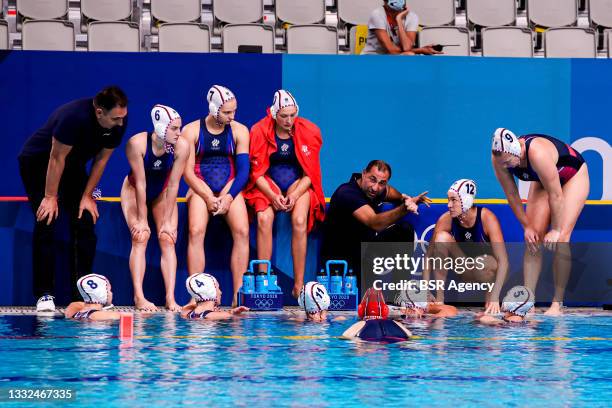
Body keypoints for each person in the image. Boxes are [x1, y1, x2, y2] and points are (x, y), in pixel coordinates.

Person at [18, 86, 128, 313]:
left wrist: (87, 196)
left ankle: (83, 293)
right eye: (116, 118)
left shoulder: (118, 121)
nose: (121, 123)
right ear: (99, 113)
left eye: (123, 117)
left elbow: (101, 161)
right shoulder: (73, 117)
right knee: (47, 218)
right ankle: (44, 294)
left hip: (73, 166)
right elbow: (56, 158)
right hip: (39, 163)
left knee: (85, 219)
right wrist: (50, 196)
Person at [491, 128, 589, 316]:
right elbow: (512, 195)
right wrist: (526, 226)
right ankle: (528, 301)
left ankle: (557, 304)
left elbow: (556, 195)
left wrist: (556, 229)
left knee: (561, 239)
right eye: (501, 163)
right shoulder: (498, 159)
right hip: (544, 179)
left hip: (572, 175)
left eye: (508, 162)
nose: (505, 167)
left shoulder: (538, 153)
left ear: (515, 150)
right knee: (533, 239)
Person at [244, 90, 325, 298]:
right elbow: (256, 172)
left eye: (292, 115)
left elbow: (311, 173)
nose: (289, 120)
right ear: (273, 114)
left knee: (299, 220)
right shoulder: (259, 130)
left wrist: (296, 194)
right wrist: (272, 196)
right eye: (284, 116)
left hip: (298, 183)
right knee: (264, 218)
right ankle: (264, 280)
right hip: (267, 183)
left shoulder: (310, 130)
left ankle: (299, 284)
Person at [182, 85, 250, 306]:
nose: (232, 116)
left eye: (234, 111)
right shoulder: (191, 131)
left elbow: (243, 171)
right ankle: (196, 295)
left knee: (242, 230)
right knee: (195, 231)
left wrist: (228, 196)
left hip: (229, 187)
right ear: (213, 109)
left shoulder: (240, 131)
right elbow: (187, 171)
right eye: (227, 112)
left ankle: (237, 294)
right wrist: (208, 196)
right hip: (199, 188)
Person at [121, 105, 189, 312]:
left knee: (168, 237)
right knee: (140, 236)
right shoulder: (137, 143)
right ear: (161, 128)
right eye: (175, 129)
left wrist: (168, 221)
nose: (179, 133)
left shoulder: (182, 146)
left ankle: (170, 298)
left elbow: (175, 184)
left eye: (180, 128)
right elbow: (141, 184)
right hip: (133, 189)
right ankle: (139, 297)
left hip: (163, 192)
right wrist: (142, 219)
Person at [321, 160, 430, 280]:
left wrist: (405, 198)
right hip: (342, 261)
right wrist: (404, 208)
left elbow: (389, 191)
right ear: (363, 174)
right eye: (372, 179)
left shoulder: (374, 190)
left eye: (382, 183)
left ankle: (399, 295)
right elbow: (374, 222)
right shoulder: (347, 193)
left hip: (365, 252)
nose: (375, 187)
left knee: (404, 230)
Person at [423, 179, 509, 314]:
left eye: (453, 200)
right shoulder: (446, 219)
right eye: (448, 200)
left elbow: (503, 261)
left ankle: (489, 297)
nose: (449, 205)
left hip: (485, 272)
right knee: (442, 238)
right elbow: (428, 257)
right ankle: (440, 299)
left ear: (466, 200)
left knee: (489, 261)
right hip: (463, 269)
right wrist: (425, 291)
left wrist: (494, 295)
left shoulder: (487, 218)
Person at [361, 0, 441, 55]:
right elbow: (391, 50)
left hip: (394, 57)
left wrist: (399, 20)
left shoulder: (412, 17)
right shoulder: (377, 14)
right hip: (373, 57)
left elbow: (407, 47)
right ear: (385, 1)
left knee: (409, 54)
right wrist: (421, 50)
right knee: (409, 54)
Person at [341, 288, 412, 342]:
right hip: (396, 341)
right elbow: (410, 336)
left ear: (360, 310)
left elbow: (345, 337)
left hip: (369, 343)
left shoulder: (361, 324)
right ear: (385, 310)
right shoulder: (395, 323)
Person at [181, 273, 249, 320]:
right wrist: (232, 313)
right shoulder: (213, 315)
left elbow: (186, 307)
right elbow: (229, 315)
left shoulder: (187, 313)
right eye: (218, 288)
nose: (221, 292)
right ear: (212, 292)